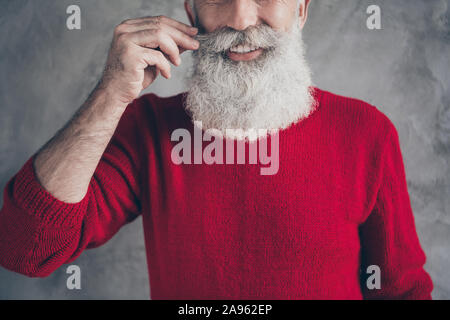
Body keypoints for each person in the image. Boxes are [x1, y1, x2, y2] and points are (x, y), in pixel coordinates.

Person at [0, 0, 433, 299]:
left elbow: (401, 289)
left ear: (301, 10)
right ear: (192, 13)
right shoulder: (147, 128)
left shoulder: (366, 131)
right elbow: (25, 249)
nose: (242, 19)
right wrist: (111, 94)